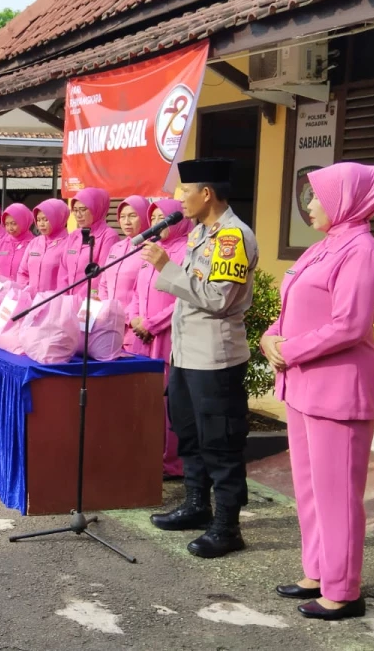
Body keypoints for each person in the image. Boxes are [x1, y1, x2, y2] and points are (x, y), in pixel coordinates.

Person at [261, 162, 374, 621]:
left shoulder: (362, 250)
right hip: (304, 384)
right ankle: (318, 571)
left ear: (345, 199)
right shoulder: (325, 247)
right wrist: (270, 337)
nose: (309, 205)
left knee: (337, 493)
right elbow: (294, 303)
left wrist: (290, 349)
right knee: (311, 489)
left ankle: (343, 589)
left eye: (317, 196)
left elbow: (351, 324)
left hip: (340, 386)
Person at [142, 158, 258, 559]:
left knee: (220, 442)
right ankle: (196, 505)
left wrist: (166, 268)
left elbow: (218, 298)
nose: (180, 202)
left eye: (185, 193)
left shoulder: (233, 237)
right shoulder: (200, 234)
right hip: (186, 353)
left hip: (215, 356)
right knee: (189, 433)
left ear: (206, 193)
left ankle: (227, 526)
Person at [126, 199, 193, 479]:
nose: (157, 223)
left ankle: (171, 463)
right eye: (153, 217)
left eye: (162, 217)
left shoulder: (187, 250)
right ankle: (146, 453)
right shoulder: (151, 250)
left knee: (168, 402)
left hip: (167, 336)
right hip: (142, 335)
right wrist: (135, 318)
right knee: (145, 397)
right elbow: (135, 292)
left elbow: (184, 299)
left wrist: (152, 323)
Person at [98, 195, 152, 349]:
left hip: (133, 325)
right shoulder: (117, 247)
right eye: (122, 217)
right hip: (108, 323)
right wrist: (106, 309)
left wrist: (123, 317)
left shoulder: (150, 248)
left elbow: (143, 291)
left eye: (132, 216)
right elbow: (104, 282)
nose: (126, 222)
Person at [61, 188, 118, 296]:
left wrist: (79, 299)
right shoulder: (74, 235)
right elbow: (63, 269)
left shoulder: (109, 236)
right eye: (75, 210)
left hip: (90, 301)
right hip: (67, 301)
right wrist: (64, 296)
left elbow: (101, 273)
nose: (78, 215)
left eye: (83, 209)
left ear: (96, 208)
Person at [17, 198, 69, 295]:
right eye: (39, 220)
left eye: (46, 219)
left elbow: (69, 278)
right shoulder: (34, 243)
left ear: (58, 218)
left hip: (55, 302)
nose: (41, 224)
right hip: (32, 302)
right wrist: (25, 291)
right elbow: (22, 272)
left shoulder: (68, 244)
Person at [0, 202, 34, 279]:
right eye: (7, 224)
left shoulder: (34, 244)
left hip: (25, 290)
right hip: (2, 290)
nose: (10, 228)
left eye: (14, 224)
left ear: (24, 221)